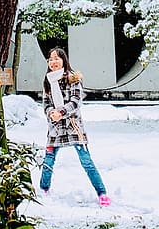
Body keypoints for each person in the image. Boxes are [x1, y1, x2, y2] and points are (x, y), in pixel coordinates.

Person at [39, 46, 111, 206]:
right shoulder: (47, 80)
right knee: (48, 160)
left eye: (56, 58)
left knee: (86, 160)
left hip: (73, 127)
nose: (53, 62)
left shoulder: (73, 78)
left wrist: (62, 112)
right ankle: (43, 190)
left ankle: (102, 193)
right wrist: (51, 112)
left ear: (64, 60)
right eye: (50, 59)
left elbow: (76, 101)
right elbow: (45, 103)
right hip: (55, 128)